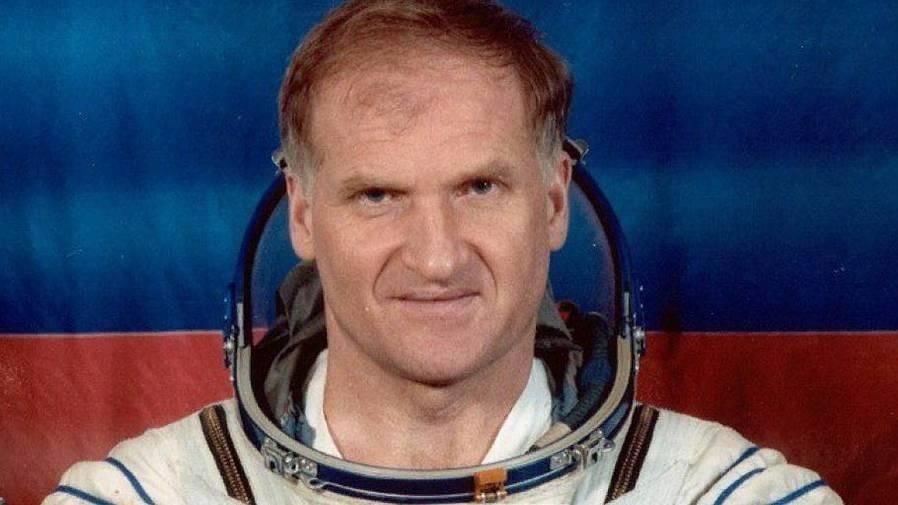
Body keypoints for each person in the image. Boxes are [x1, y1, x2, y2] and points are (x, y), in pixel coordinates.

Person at [45, 1, 842, 503]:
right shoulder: (148, 493)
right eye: (377, 195)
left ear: (554, 200)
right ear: (304, 214)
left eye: (480, 187)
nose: (436, 257)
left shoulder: (719, 490)